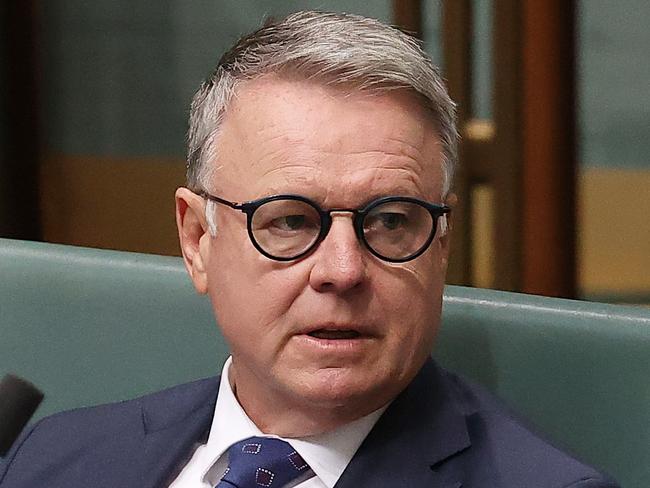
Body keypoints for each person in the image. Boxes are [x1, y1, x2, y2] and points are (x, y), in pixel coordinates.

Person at [0, 11, 619, 488]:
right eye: (290, 221)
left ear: (442, 246)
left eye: (392, 222)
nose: (343, 270)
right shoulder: (53, 458)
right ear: (197, 242)